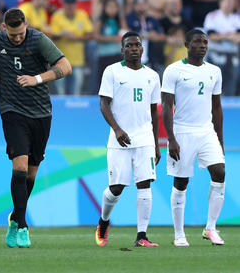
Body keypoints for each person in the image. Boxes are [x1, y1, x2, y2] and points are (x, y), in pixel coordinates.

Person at [0, 8, 72, 247]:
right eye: (13, 34)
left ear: (26, 25)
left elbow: (66, 66)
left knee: (30, 173)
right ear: (4, 29)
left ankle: (14, 218)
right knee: (19, 167)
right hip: (11, 110)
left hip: (41, 113)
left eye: (21, 33)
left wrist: (37, 78)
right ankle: (23, 226)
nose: (18, 38)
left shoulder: (38, 39)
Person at [95, 31, 161, 248]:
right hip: (119, 140)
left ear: (142, 49)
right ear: (122, 49)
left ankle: (142, 235)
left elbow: (154, 111)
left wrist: (156, 143)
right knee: (117, 188)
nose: (134, 48)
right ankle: (104, 221)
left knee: (145, 184)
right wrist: (117, 129)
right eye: (129, 45)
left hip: (144, 139)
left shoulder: (152, 75)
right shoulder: (112, 71)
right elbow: (104, 104)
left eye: (137, 45)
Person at [161, 29, 226, 247]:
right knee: (181, 183)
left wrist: (220, 140)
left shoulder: (214, 71)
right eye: (198, 42)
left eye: (205, 42)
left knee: (220, 172)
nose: (202, 46)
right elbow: (167, 106)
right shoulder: (174, 70)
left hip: (206, 131)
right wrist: (171, 138)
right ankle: (179, 234)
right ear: (187, 44)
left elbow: (217, 107)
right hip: (182, 131)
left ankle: (211, 227)